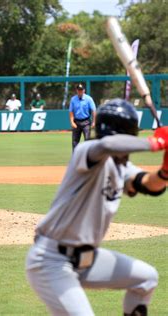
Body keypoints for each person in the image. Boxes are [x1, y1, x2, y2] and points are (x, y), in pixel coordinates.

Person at [25, 99, 168, 316]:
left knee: (146, 278)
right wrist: (155, 143)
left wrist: (165, 170)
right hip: (51, 261)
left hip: (86, 260)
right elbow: (107, 145)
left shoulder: (122, 167)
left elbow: (150, 184)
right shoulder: (87, 150)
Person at [69, 83, 97, 151]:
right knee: (75, 142)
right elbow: (71, 111)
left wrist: (94, 122)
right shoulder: (73, 99)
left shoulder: (89, 99)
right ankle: (75, 159)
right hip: (76, 122)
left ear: (84, 90)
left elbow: (94, 110)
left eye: (81, 90)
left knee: (87, 141)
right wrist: (72, 122)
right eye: (79, 90)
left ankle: (88, 158)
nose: (80, 91)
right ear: (76, 90)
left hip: (86, 122)